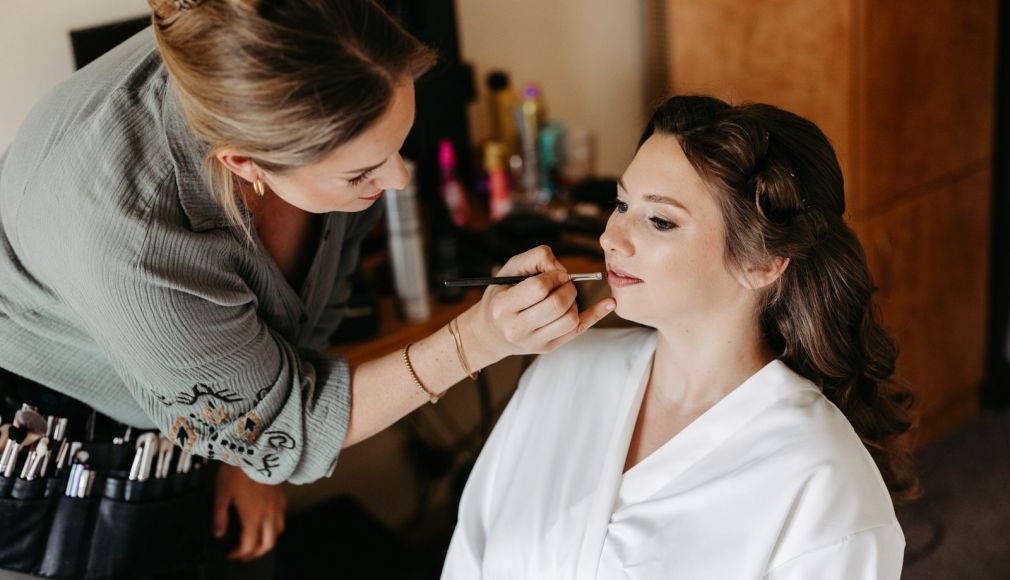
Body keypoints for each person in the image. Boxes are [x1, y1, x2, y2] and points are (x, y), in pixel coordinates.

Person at [0, 0, 614, 577]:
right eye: (363, 172)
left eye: (396, 146)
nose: (397, 180)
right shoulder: (128, 234)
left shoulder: (314, 73)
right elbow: (270, 429)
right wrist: (474, 340)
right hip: (66, 424)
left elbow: (307, 319)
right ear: (244, 163)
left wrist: (258, 454)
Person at [442, 95, 917, 579]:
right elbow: (469, 556)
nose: (611, 237)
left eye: (660, 220)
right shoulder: (563, 370)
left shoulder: (824, 483)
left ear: (761, 263)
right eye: (621, 203)